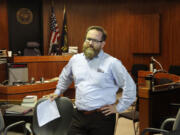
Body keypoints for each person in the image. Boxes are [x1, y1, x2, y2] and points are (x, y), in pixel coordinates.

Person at [49, 26, 136, 135]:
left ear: (103, 44)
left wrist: (119, 107)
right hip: (78, 115)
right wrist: (58, 92)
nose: (90, 43)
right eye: (88, 39)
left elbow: (130, 86)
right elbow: (65, 76)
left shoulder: (112, 63)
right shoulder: (75, 60)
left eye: (95, 40)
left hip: (102, 117)